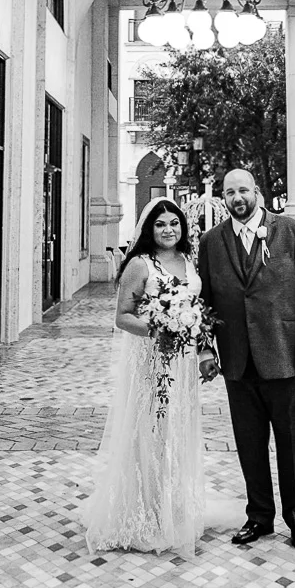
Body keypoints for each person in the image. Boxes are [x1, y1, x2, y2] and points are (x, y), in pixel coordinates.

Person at [198, 168, 295, 551]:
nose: (237, 198)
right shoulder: (211, 241)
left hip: (286, 355)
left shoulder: (293, 232)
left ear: (256, 191)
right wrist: (205, 348)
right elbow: (204, 301)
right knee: (249, 444)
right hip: (237, 361)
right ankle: (259, 516)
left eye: (243, 190)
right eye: (229, 192)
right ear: (223, 198)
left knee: (293, 442)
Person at [83, 198, 205, 556]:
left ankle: (173, 506)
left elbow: (196, 307)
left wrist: (195, 333)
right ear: (149, 229)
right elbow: (122, 316)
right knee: (150, 432)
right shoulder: (140, 264)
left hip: (182, 363)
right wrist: (158, 329)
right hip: (151, 362)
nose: (168, 229)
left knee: (177, 431)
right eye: (160, 223)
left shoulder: (188, 259)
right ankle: (144, 512)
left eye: (174, 222)